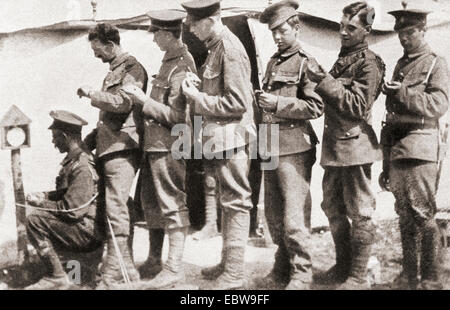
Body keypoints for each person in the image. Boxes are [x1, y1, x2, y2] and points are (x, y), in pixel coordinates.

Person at [306, 1, 385, 289]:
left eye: (351, 27)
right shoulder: (345, 57)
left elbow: (358, 106)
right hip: (336, 149)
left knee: (360, 212)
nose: (342, 32)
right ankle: (343, 267)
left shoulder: (369, 62)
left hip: (355, 149)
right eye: (341, 26)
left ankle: (358, 276)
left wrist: (324, 80)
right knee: (332, 207)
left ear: (367, 29)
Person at [180, 0, 257, 290]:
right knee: (228, 202)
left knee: (236, 203)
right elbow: (220, 91)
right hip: (221, 139)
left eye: (193, 23)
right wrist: (197, 86)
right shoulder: (216, 48)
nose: (190, 28)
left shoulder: (230, 49)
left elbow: (236, 103)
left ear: (210, 21)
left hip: (233, 139)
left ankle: (235, 273)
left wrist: (196, 98)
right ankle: (228, 264)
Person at [121, 9, 197, 289]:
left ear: (167, 33)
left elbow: (180, 118)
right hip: (155, 146)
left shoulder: (182, 67)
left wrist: (142, 100)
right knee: (151, 203)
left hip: (171, 145)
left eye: (156, 34)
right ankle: (155, 260)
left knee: (172, 204)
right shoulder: (169, 63)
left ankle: (174, 268)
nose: (153, 39)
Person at [253, 0, 324, 290]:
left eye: (282, 31)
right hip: (270, 144)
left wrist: (279, 103)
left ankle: (302, 274)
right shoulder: (272, 61)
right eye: (273, 33)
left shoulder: (307, 62)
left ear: (296, 28)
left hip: (294, 147)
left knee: (295, 217)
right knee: (273, 214)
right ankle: (282, 267)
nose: (277, 37)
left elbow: (315, 106)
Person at [381, 8, 449, 290]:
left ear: (424, 31)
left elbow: (438, 105)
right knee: (404, 215)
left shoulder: (436, 64)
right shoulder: (400, 65)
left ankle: (431, 278)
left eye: (410, 33)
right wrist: (386, 163)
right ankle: (409, 277)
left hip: (421, 147)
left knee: (423, 213)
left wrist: (402, 93)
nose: (404, 39)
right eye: (401, 34)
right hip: (398, 148)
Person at [77, 23, 148, 289]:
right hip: (111, 148)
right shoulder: (115, 70)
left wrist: (92, 95)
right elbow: (108, 118)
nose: (97, 55)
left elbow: (123, 104)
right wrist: (90, 141)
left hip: (123, 149)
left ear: (110, 45)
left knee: (116, 211)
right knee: (115, 209)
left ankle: (112, 273)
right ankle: (127, 269)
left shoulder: (132, 68)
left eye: (98, 50)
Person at [24, 110, 104, 290]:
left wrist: (41, 204)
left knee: (35, 220)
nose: (53, 142)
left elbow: (73, 211)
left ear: (66, 136)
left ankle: (57, 276)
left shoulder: (81, 166)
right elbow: (67, 193)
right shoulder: (74, 161)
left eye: (55, 137)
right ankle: (70, 274)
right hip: (86, 226)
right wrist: (45, 196)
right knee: (41, 216)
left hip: (87, 231)